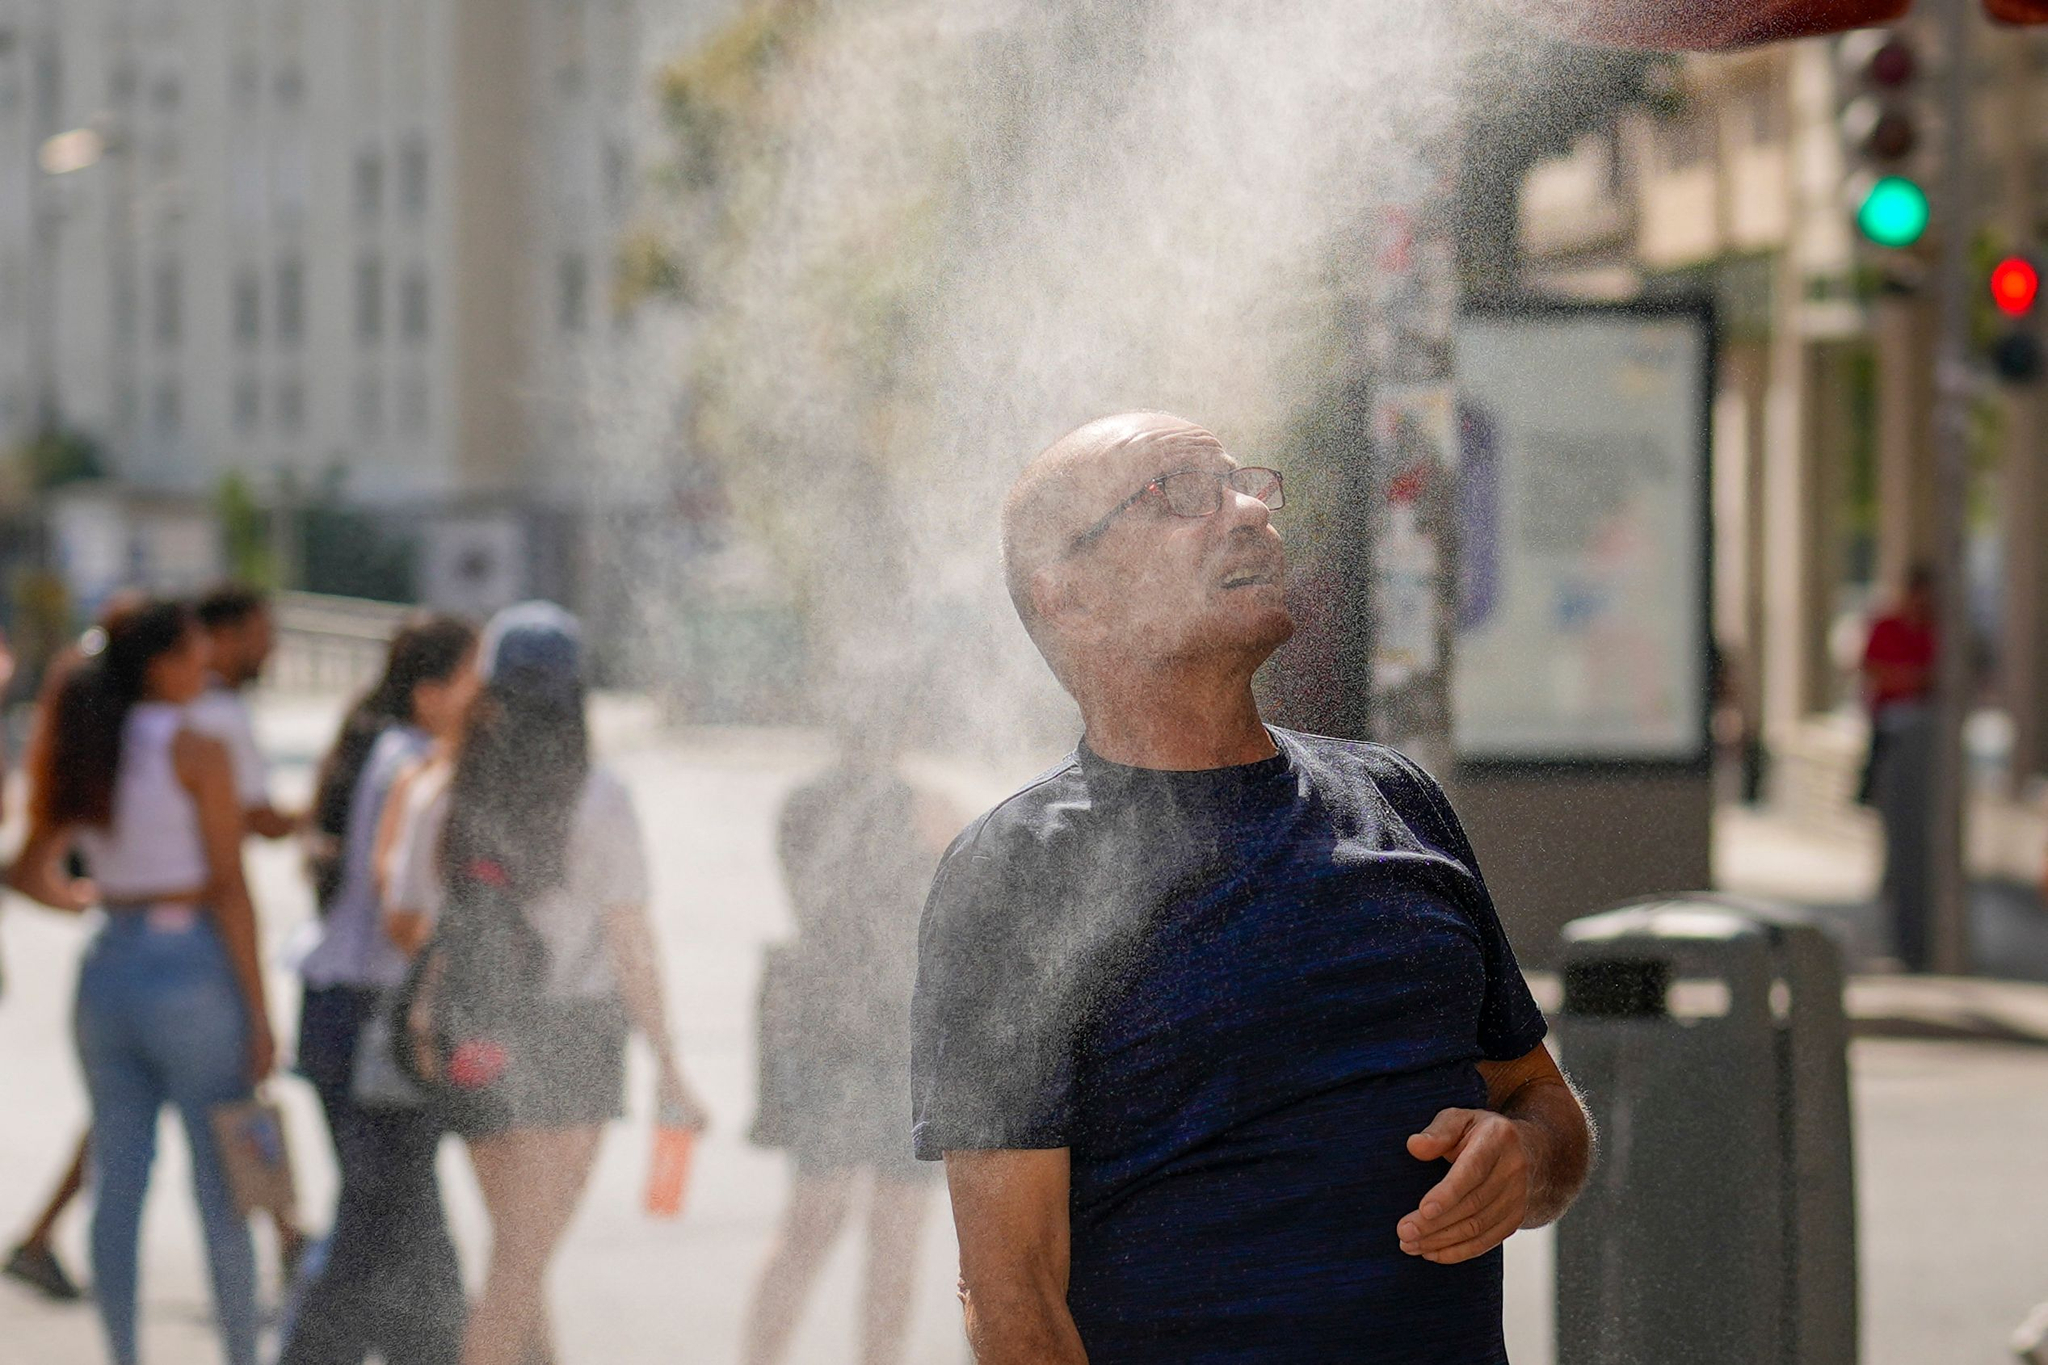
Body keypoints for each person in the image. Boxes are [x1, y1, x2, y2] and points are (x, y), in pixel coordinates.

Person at [912, 412, 1593, 1364]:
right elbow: (1013, 1297)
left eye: (1242, 482)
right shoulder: (1018, 874)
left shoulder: (1398, 800)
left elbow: (1545, 1106)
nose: (1247, 513)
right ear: (1067, 592)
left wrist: (1526, 1161)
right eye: (1179, 493)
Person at [383, 602, 709, 1365]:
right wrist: (667, 1061)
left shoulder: (443, 794)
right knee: (520, 1267)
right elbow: (632, 946)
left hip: (474, 1033)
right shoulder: (600, 798)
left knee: (519, 1259)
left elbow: (405, 920)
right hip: (572, 1036)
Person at [7, 599, 273, 1365]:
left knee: (118, 1181)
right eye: (195, 656)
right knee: (222, 1182)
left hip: (108, 965)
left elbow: (28, 869)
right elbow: (230, 886)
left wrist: (99, 897)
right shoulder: (196, 747)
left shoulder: (86, 740)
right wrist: (258, 1010)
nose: (208, 668)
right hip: (190, 961)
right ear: (160, 664)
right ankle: (237, 1353)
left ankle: (123, 1353)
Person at [280, 615, 479, 1365]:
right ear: (431, 692)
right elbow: (402, 913)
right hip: (375, 1016)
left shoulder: (380, 743)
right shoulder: (417, 762)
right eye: (474, 675)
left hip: (341, 1007)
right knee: (382, 1220)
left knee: (397, 1218)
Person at [740, 723, 955, 1365]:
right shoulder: (923, 807)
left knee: (810, 1222)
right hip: (896, 1033)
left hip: (819, 1028)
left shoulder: (801, 804)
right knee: (894, 1234)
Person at [1860, 566, 1938, 971]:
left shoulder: (1936, 632)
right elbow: (1875, 673)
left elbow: (1936, 680)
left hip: (1923, 746)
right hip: (1890, 740)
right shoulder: (1887, 626)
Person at [189, 584, 296, 840]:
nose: (269, 648)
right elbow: (262, 819)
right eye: (261, 635)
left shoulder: (182, 703)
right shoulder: (222, 712)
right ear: (224, 637)